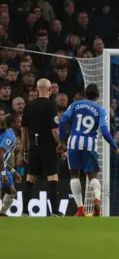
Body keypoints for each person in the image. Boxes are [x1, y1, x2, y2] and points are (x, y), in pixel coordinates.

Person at [58, 84, 119, 217]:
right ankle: (97, 206)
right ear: (98, 96)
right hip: (90, 144)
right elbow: (105, 131)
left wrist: (61, 141)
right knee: (92, 176)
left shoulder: (75, 105)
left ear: (85, 94)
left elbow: (63, 121)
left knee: (74, 175)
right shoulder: (100, 110)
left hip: (73, 143)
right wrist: (115, 148)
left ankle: (81, 209)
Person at [21, 78, 61, 217]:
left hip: (33, 146)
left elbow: (24, 131)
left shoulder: (29, 106)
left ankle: (25, 211)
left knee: (30, 178)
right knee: (52, 177)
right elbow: (55, 130)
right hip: (48, 145)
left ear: (37, 90)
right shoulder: (51, 106)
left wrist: (25, 149)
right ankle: (54, 212)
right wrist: (61, 144)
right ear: (50, 90)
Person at [0, 121, 21, 217]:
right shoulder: (9, 135)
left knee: (11, 192)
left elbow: (3, 159)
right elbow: (0, 154)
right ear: (12, 124)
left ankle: (2, 213)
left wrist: (13, 172)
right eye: (18, 121)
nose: (21, 123)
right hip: (2, 169)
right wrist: (4, 174)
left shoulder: (9, 135)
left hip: (2, 166)